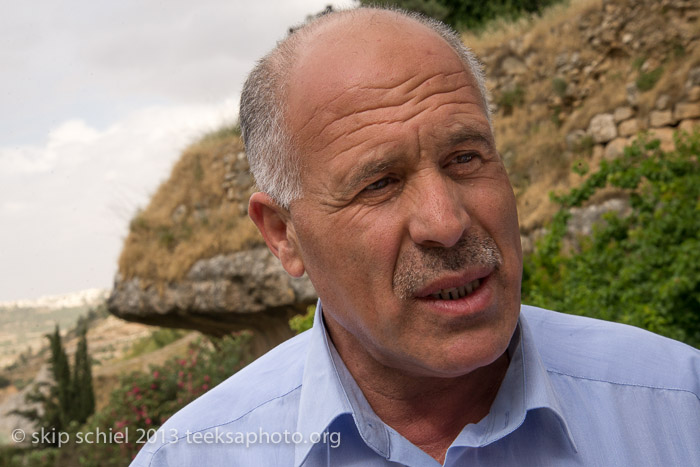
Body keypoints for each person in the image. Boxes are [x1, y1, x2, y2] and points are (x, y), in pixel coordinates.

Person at [131, 7, 700, 467]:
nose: (446, 222)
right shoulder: (191, 456)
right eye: (379, 184)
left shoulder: (678, 404)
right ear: (284, 236)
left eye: (465, 158)